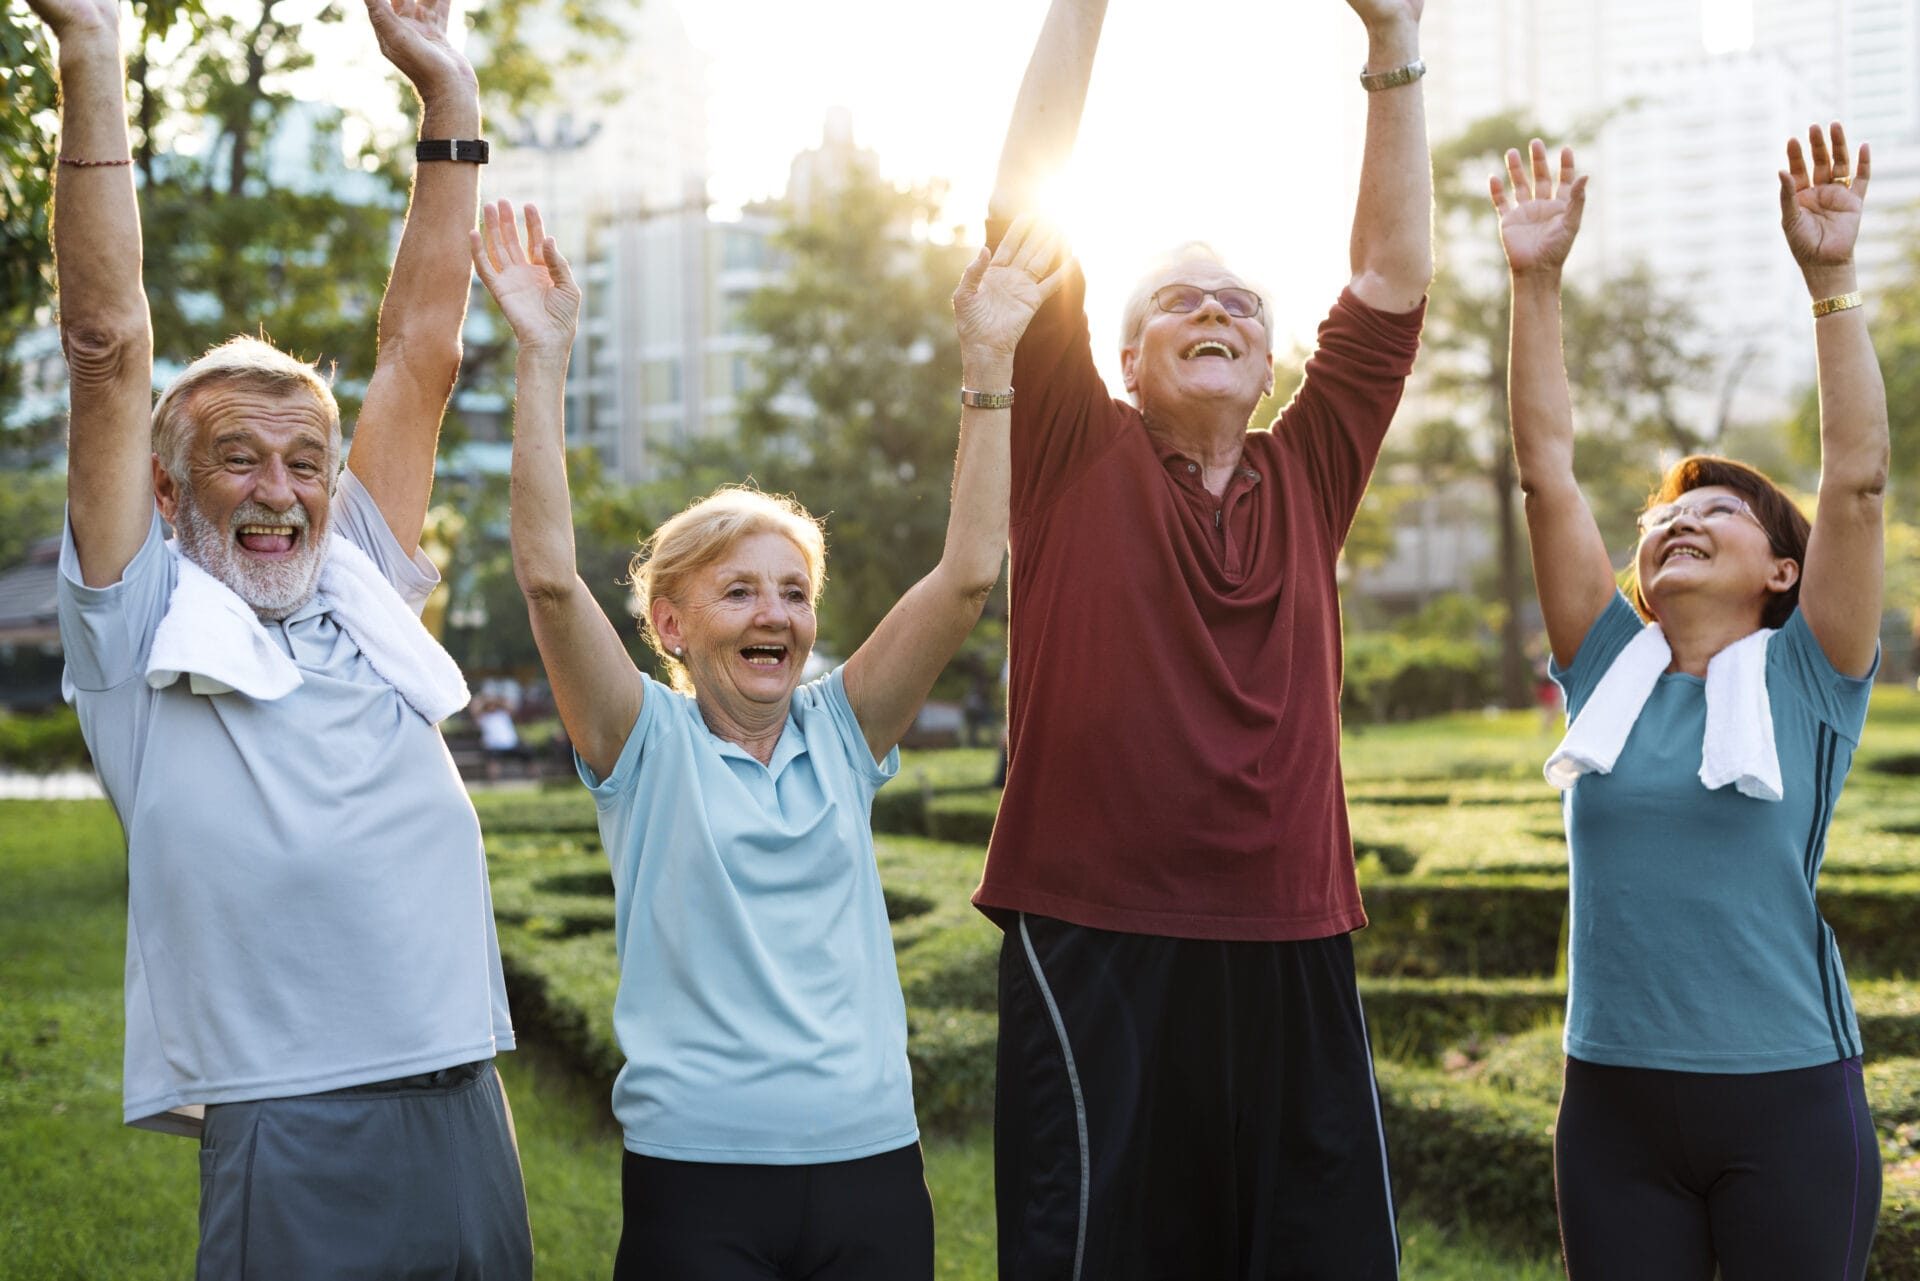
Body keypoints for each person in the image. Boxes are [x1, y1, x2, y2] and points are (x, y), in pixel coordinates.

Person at [469, 197, 1068, 1278]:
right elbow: (551, 580)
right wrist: (544, 354)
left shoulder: (843, 733)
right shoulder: (642, 746)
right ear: (671, 625)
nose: (774, 616)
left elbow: (971, 572)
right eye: (737, 591)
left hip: (872, 1165)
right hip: (697, 1180)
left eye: (793, 593)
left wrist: (987, 358)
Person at [37, 0, 530, 1274]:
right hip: (291, 1117)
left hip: (466, 1097)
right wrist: (91, 51)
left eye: (306, 462)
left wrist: (448, 102)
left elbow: (420, 350)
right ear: (168, 492)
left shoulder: (360, 580)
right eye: (237, 459)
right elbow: (106, 349)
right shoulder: (142, 619)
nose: (280, 491)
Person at [974, 1, 1432, 1275]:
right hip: (1097, 934)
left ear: (1275, 358)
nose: (1213, 306)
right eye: (1179, 299)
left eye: (1239, 299)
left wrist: (1392, 41)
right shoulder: (1071, 445)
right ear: (1123, 355)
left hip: (1293, 934)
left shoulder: (1311, 469)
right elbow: (1024, 211)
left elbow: (1392, 283)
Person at [1493, 130, 1885, 1277]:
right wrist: (1534, 280)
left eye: (1721, 510)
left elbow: (1857, 484)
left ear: (1783, 573)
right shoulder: (1606, 665)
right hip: (1610, 1104)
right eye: (1666, 513)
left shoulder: (1810, 670)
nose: (1679, 520)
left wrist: (1829, 284)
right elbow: (1545, 469)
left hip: (1791, 1099)